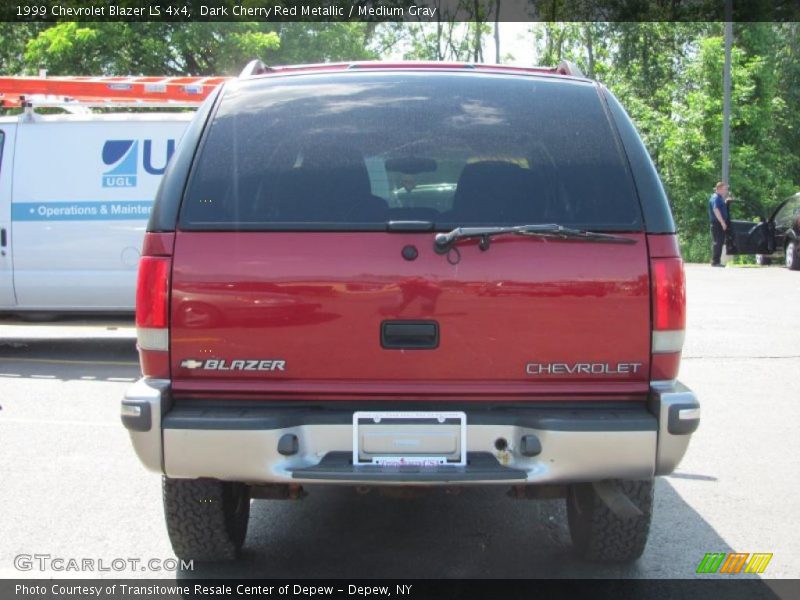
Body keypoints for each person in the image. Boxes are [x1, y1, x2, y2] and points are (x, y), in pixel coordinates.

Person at [708, 181, 729, 267]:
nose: (725, 191)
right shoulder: (715, 198)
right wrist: (722, 222)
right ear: (719, 189)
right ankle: (715, 262)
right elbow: (716, 210)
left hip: (719, 223)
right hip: (717, 223)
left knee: (719, 242)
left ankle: (716, 261)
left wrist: (726, 202)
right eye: (724, 189)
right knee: (718, 242)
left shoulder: (719, 198)